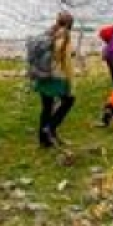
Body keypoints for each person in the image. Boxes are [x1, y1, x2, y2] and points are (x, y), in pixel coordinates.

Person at [33, 11, 76, 148]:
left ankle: (44, 140)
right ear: (69, 25)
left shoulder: (49, 33)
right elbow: (67, 63)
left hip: (42, 74)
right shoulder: (65, 37)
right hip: (56, 77)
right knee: (69, 100)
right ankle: (50, 128)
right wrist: (70, 83)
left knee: (47, 107)